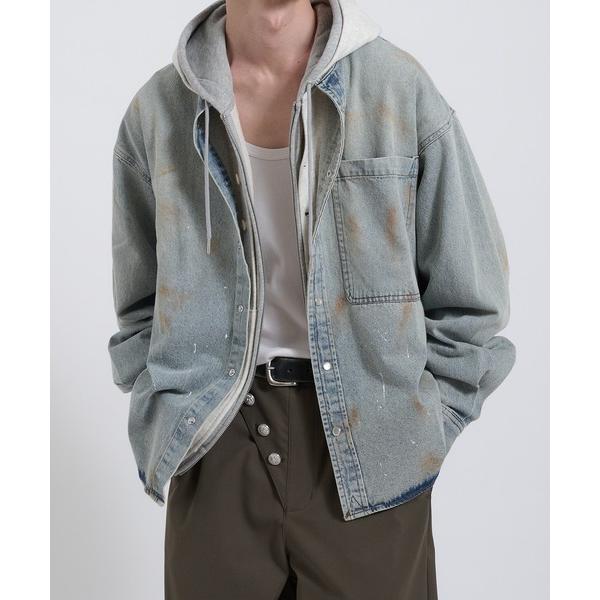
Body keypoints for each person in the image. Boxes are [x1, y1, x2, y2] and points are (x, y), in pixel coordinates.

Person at [108, 1, 516, 598]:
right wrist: (168, 411)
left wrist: (420, 428)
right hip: (219, 442)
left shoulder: (396, 90)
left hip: (373, 448)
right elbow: (139, 309)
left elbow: (472, 299)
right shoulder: (159, 112)